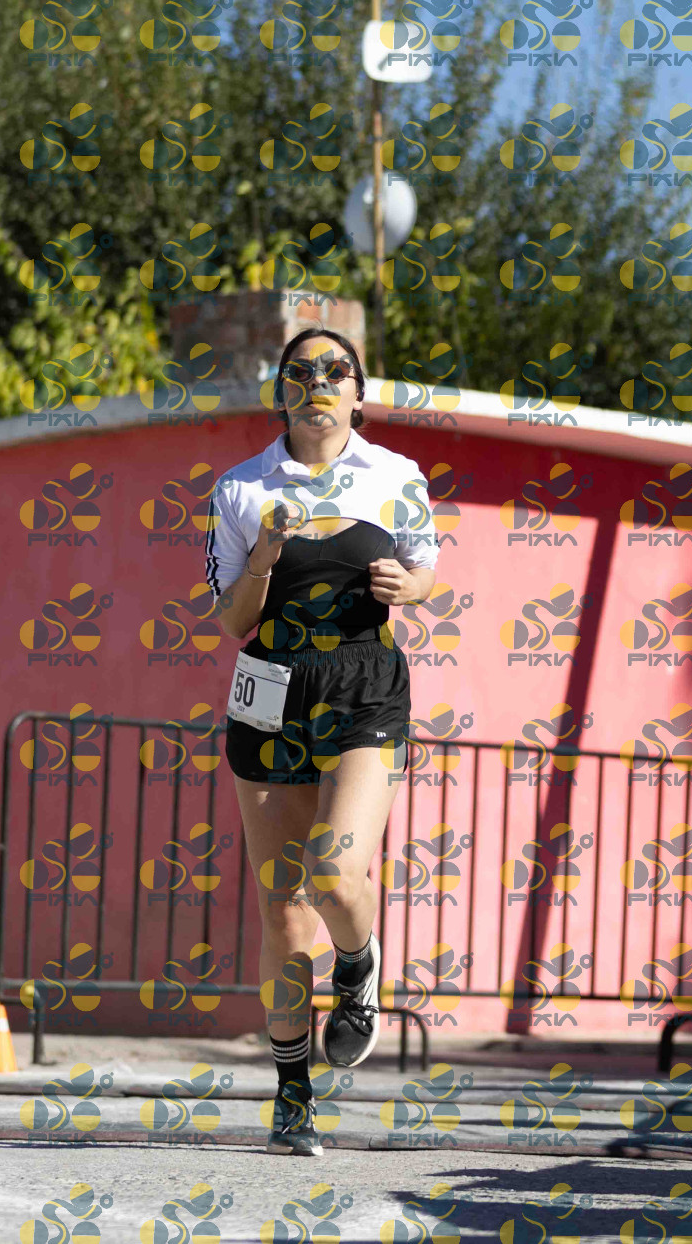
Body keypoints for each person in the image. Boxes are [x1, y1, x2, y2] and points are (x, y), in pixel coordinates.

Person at [204, 326, 437, 1155]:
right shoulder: (240, 488)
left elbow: (425, 569)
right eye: (300, 371)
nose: (318, 383)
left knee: (334, 873)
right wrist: (263, 559)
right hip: (270, 693)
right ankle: (292, 1097)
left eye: (336, 370)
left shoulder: (396, 477)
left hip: (364, 687)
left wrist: (409, 585)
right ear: (283, 391)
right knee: (282, 908)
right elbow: (233, 620)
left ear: (358, 393)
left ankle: (358, 962)